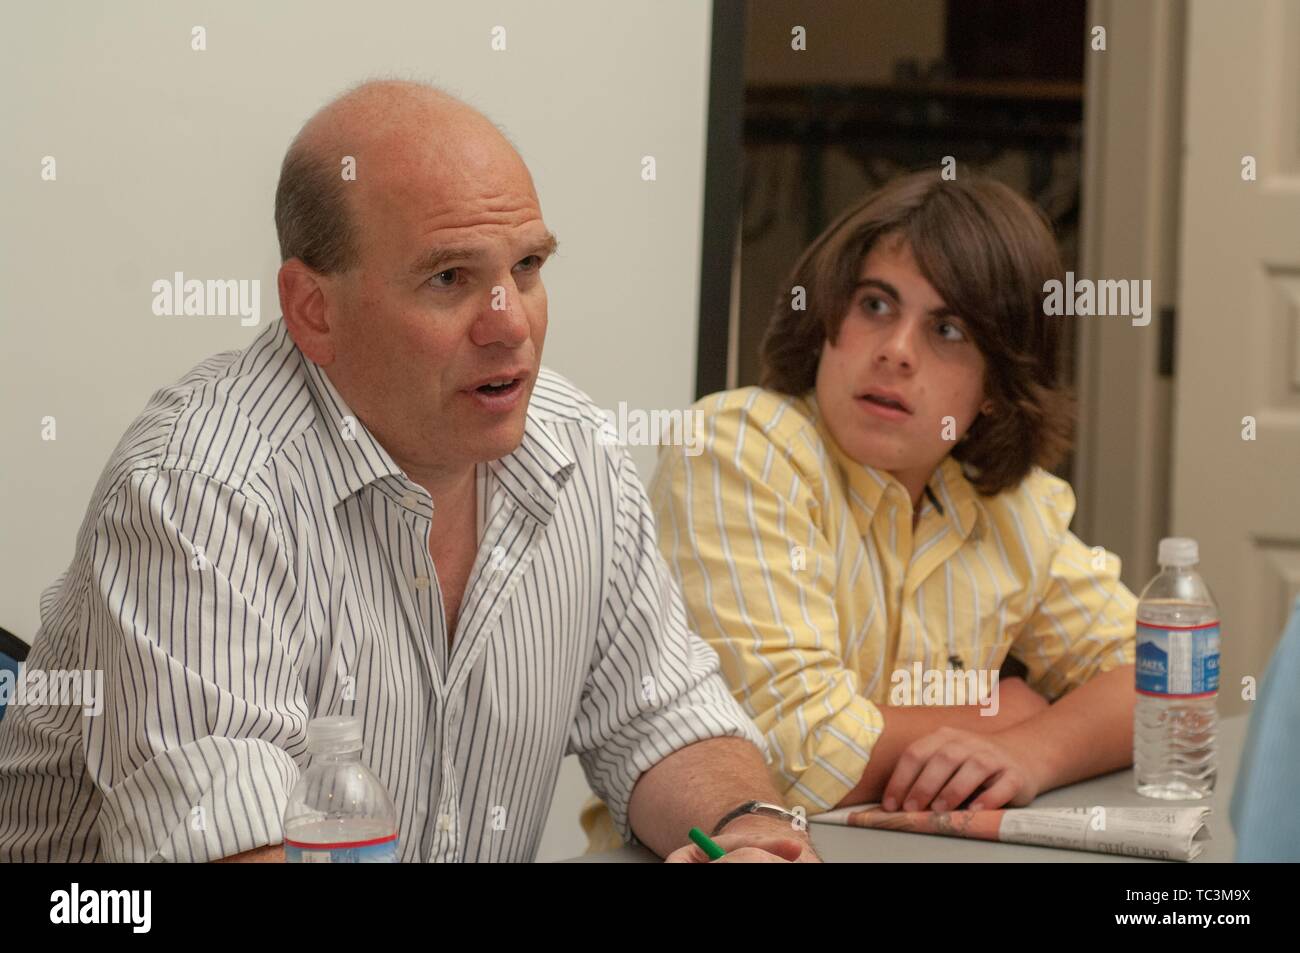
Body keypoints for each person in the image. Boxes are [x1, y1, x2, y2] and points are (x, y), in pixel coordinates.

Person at [0, 79, 815, 864]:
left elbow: (665, 718)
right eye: (450, 278)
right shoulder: (197, 491)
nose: (510, 326)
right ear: (313, 310)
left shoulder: (574, 447)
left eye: (527, 267)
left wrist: (747, 829)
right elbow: (233, 851)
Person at [584, 170, 1137, 848]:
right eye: (876, 304)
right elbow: (795, 756)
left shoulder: (1008, 506)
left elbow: (1168, 680)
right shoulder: (741, 446)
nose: (896, 352)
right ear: (826, 318)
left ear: (998, 386)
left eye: (949, 329)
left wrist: (1034, 748)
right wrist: (1006, 708)